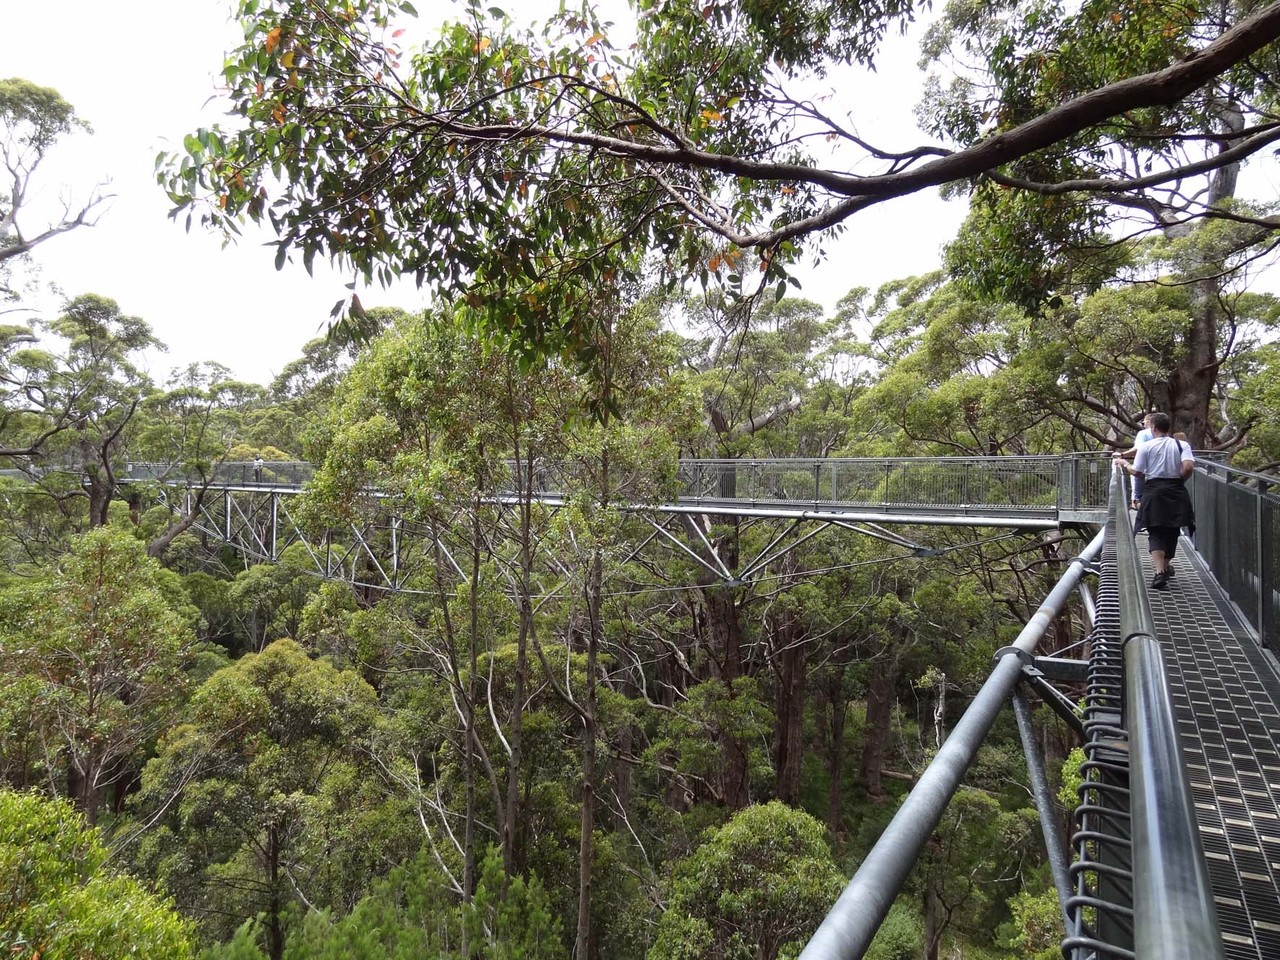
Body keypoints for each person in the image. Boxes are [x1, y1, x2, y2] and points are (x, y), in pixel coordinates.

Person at [1116, 412, 1194, 591]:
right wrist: (1180, 479)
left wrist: (1124, 463)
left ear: (1153, 428)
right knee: (1173, 530)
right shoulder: (1182, 445)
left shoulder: (1146, 446)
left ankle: (1160, 572)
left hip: (1154, 491)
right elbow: (1189, 466)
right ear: (1168, 427)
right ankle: (1165, 567)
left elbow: (1137, 472)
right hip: (1176, 489)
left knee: (1155, 531)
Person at [1118, 412, 1155, 509]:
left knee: (1136, 484)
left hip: (1144, 470)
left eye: (1144, 423)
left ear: (1149, 422)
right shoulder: (1165, 436)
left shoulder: (1143, 433)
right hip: (1160, 473)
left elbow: (1137, 449)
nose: (1143, 425)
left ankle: (1136, 503)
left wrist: (1122, 455)